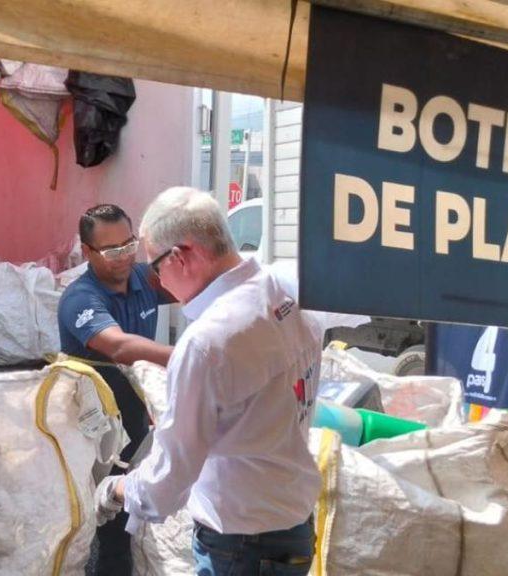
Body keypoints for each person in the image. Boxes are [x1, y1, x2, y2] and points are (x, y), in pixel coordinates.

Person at [94, 187, 323, 575]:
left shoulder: (207, 343)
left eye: (156, 269)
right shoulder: (284, 287)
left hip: (241, 543)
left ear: (182, 257)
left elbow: (170, 478)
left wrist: (117, 489)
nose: (160, 283)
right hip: (293, 525)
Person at [57, 204, 174, 575]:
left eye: (129, 245)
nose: (123, 257)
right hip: (95, 422)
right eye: (111, 251)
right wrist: (192, 355)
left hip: (135, 411)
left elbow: (198, 281)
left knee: (131, 503)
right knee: (104, 513)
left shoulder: (144, 278)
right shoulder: (80, 299)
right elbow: (119, 346)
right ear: (87, 252)